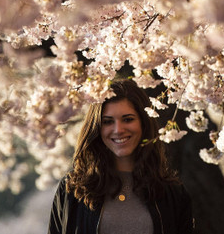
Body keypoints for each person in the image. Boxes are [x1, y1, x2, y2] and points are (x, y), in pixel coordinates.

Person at [48, 79, 194, 234]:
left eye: (128, 119)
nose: (118, 130)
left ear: (144, 123)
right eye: (107, 122)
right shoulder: (72, 190)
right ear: (97, 127)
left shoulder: (172, 193)